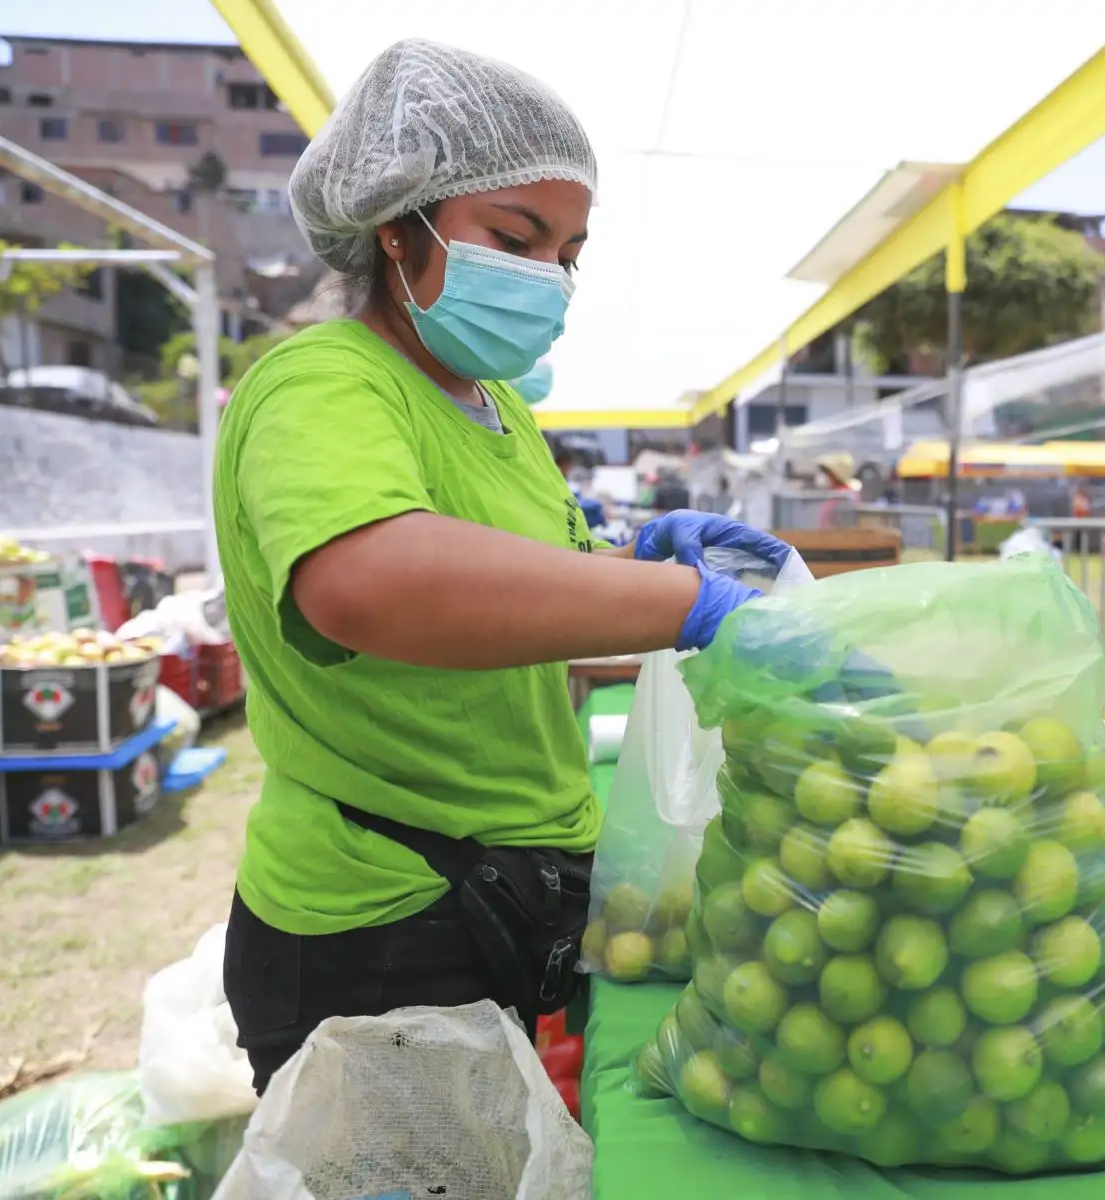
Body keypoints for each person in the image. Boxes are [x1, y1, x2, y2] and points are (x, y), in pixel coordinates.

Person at [213, 39, 793, 1094]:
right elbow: (371, 580)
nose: (547, 277)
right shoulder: (324, 382)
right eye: (515, 238)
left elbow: (514, 593)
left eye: (567, 251)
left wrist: (633, 561)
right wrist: (677, 604)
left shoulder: (499, 407)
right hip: (380, 919)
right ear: (397, 229)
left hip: (492, 896)